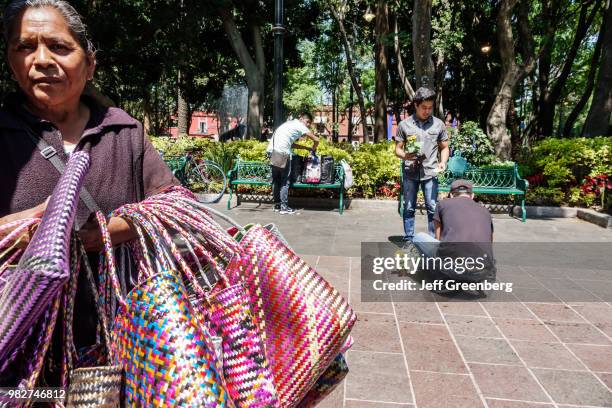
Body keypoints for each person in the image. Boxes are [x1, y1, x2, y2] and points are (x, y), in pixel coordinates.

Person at [0, 0, 178, 385]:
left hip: (119, 342)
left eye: (60, 47)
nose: (42, 59)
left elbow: (176, 205)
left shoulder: (124, 131)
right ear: (10, 61)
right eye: (25, 47)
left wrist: (108, 233)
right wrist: (28, 228)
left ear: (90, 63)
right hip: (20, 347)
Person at [411, 180, 496, 293]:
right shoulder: (485, 211)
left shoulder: (442, 204)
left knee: (418, 237)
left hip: (452, 267)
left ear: (451, 194)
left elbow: (438, 238)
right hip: (483, 270)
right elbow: (490, 242)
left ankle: (439, 275)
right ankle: (468, 278)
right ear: (472, 196)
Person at [394, 87, 449, 244]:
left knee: (432, 207)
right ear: (416, 105)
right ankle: (409, 239)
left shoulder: (439, 125)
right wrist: (405, 155)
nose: (427, 111)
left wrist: (443, 162)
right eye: (424, 107)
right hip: (410, 172)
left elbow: (444, 147)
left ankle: (432, 241)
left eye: (430, 107)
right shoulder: (404, 125)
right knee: (409, 207)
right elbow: (397, 149)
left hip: (430, 173)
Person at [266, 112, 319, 214]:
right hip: (282, 154)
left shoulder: (290, 124)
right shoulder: (301, 126)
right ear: (304, 120)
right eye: (308, 123)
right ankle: (284, 208)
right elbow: (316, 140)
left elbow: (290, 143)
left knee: (276, 181)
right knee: (285, 181)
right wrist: (313, 149)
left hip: (272, 152)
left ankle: (277, 205)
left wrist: (305, 148)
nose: (308, 125)